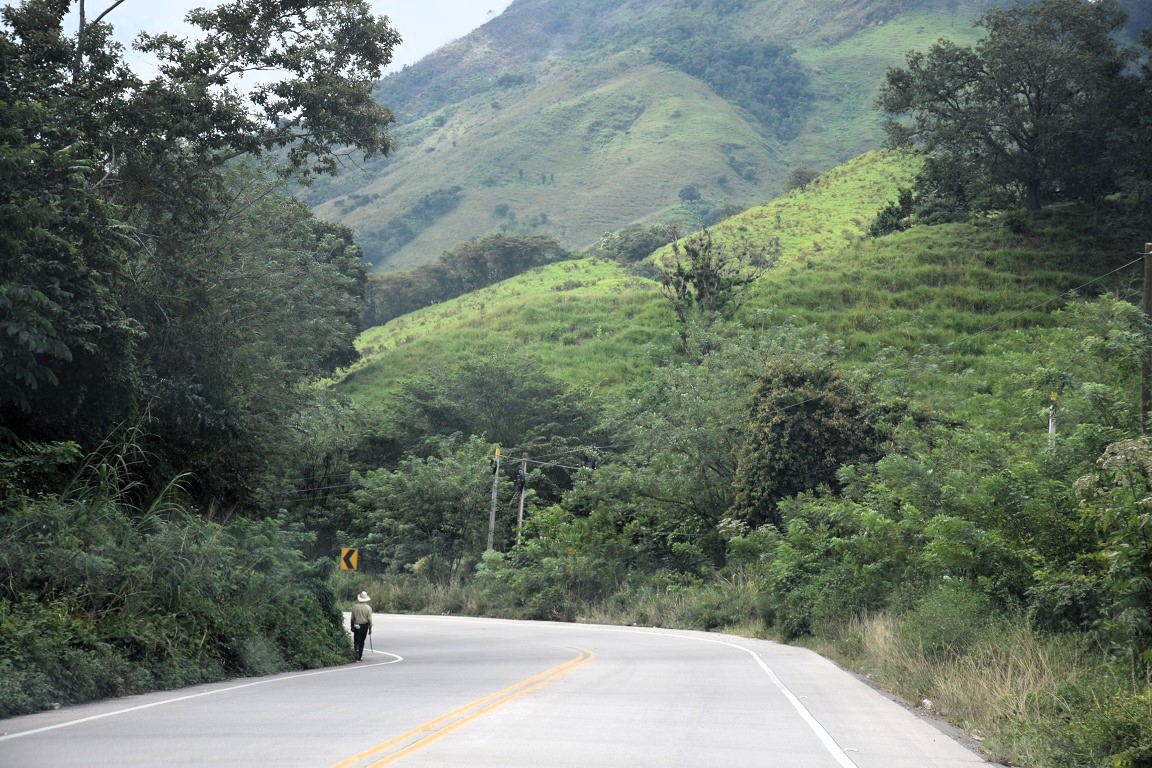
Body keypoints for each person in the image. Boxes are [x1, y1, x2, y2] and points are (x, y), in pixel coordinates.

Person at [350, 591, 373, 661]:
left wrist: (352, 626)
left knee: (356, 640)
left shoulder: (355, 607)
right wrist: (370, 629)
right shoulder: (368, 608)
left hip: (357, 625)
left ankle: (356, 650)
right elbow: (369, 619)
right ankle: (360, 656)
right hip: (364, 626)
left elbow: (352, 618)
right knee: (362, 641)